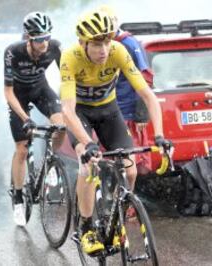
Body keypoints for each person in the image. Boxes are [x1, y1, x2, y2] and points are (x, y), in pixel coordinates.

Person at [60, 10, 171, 255]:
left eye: (108, 42)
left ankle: (114, 214)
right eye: (98, 44)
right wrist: (88, 143)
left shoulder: (119, 51)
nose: (104, 50)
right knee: (88, 165)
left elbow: (148, 96)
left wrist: (160, 137)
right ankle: (86, 228)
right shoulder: (70, 57)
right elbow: (67, 110)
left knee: (130, 170)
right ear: (83, 43)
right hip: (80, 114)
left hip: (109, 111)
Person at [4, 11, 65, 226]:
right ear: (29, 37)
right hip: (18, 95)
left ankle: (50, 163)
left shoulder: (55, 47)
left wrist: (68, 104)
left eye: (47, 37)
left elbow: (67, 80)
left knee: (60, 126)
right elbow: (8, 92)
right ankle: (19, 198)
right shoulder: (13, 52)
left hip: (40, 89)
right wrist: (24, 117)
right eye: (40, 39)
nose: (45, 43)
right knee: (22, 147)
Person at [100, 5, 153, 175]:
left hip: (129, 113)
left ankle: (130, 198)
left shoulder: (128, 43)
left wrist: (141, 112)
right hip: (108, 111)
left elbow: (145, 77)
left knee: (133, 164)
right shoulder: (100, 45)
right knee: (109, 162)